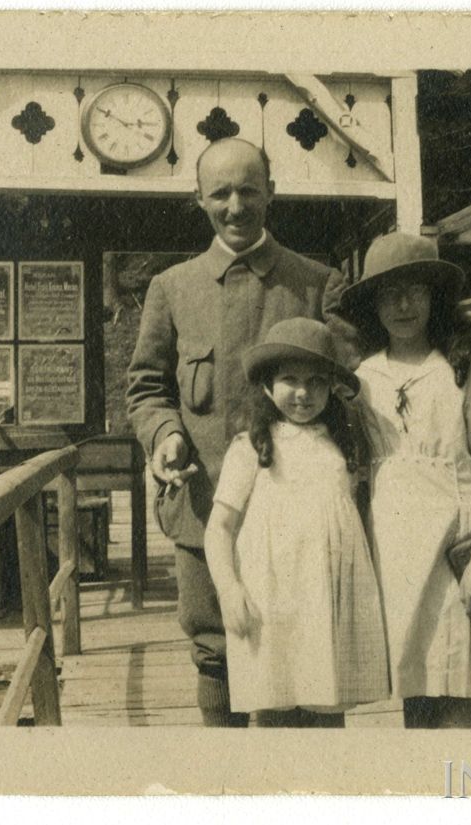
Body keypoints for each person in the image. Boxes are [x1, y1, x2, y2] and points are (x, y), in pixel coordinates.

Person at [126, 137, 351, 727]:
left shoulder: (315, 282)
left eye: (249, 190)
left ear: (271, 192)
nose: (235, 205)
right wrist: (165, 434)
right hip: (206, 509)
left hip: (299, 521)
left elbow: (349, 389)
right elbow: (146, 389)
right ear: (198, 198)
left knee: (307, 657)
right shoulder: (171, 288)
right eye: (220, 192)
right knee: (215, 650)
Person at [339, 232, 471, 729]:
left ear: (435, 298)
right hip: (395, 550)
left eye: (415, 289)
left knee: (457, 682)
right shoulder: (362, 379)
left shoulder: (463, 372)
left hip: (457, 542)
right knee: (416, 685)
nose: (403, 304)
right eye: (389, 293)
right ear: (373, 304)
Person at [204, 318, 389, 727]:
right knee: (276, 710)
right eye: (290, 379)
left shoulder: (341, 444)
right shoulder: (251, 447)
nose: (303, 393)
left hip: (327, 603)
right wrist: (229, 588)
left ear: (330, 387)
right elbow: (219, 528)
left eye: (316, 382)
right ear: (268, 387)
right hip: (273, 603)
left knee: (326, 709)